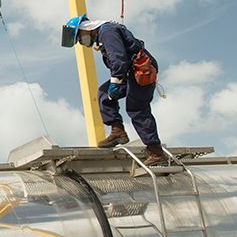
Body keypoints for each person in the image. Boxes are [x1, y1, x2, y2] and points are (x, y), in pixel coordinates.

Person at [61, 14, 169, 166]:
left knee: (137, 108)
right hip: (129, 73)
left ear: (85, 30)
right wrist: (116, 83)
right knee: (104, 94)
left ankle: (156, 152)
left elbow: (118, 59)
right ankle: (118, 131)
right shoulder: (103, 34)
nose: (81, 43)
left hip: (140, 71)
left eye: (79, 38)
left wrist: (116, 82)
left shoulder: (107, 32)